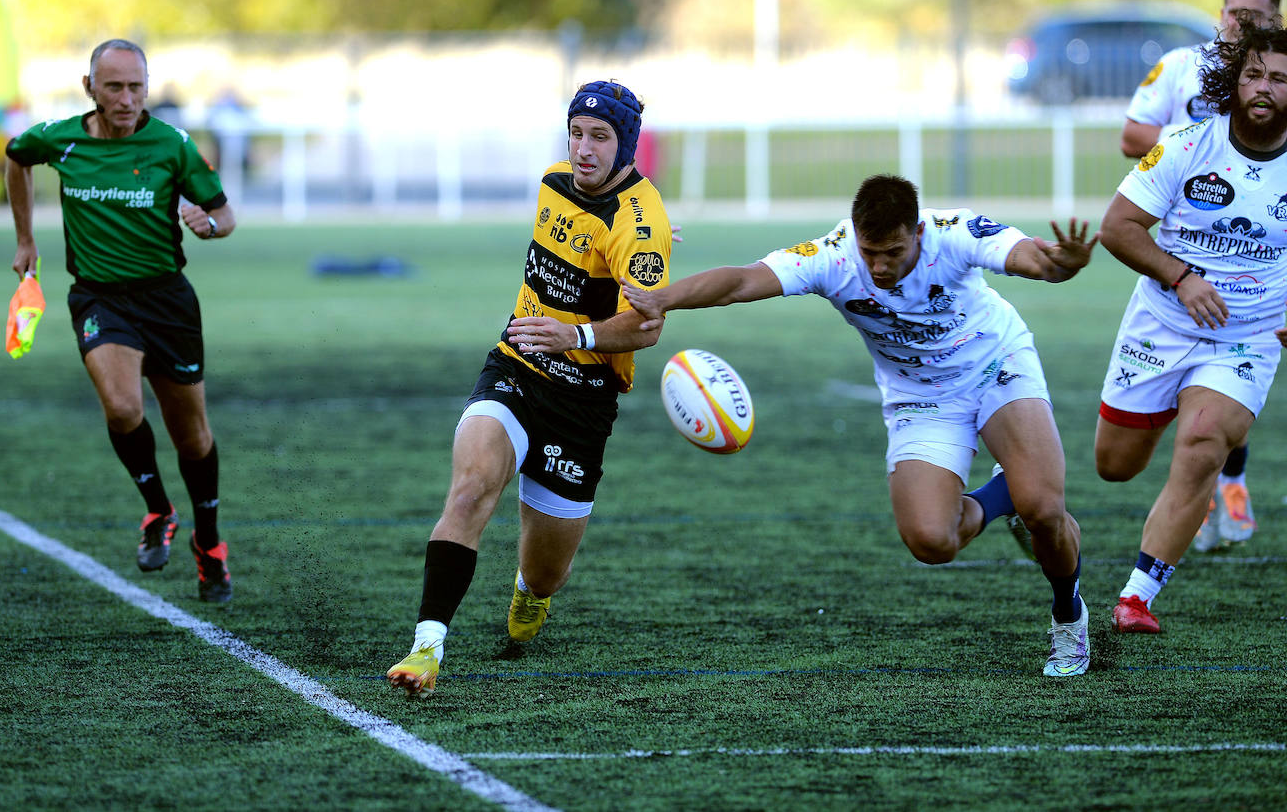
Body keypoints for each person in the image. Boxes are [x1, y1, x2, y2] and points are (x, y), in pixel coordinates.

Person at [621, 174, 1099, 677]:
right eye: (869, 251)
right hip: (920, 397)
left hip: (995, 364)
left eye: (892, 251)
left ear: (917, 232)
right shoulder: (833, 255)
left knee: (1046, 508)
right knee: (932, 541)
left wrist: (1061, 264)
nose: (879, 266)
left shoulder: (954, 232)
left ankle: (1067, 615)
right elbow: (742, 280)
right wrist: (664, 298)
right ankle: (1006, 495)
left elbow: (1035, 258)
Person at [386, 80, 673, 698]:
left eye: (600, 136)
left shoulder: (639, 222)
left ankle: (528, 591)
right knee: (468, 491)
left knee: (547, 573)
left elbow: (647, 327)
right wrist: (551, 335)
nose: (583, 148)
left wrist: (576, 335)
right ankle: (427, 647)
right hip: (515, 367)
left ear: (627, 146)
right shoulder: (552, 181)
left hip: (584, 401)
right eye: (576, 132)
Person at [1098, 17, 1287, 634]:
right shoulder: (1189, 143)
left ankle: (1137, 596)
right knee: (1115, 466)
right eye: (1253, 74)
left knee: (1201, 443)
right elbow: (1117, 227)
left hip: (1245, 339)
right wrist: (1181, 276)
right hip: (1159, 325)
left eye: (1278, 78)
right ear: (1234, 81)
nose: (1263, 87)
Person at [5, 38, 237, 603]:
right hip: (99, 299)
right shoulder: (58, 139)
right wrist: (25, 237)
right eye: (114, 87)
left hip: (167, 303)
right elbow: (15, 157)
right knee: (122, 406)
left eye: (136, 87)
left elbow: (225, 215)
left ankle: (209, 545)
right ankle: (158, 509)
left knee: (192, 436)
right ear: (90, 89)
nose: (127, 98)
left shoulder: (171, 145)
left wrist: (204, 226)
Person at [1119, 0, 1283, 551]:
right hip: (1185, 234)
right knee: (1118, 459)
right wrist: (1199, 137)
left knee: (1231, 365)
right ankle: (1208, 474)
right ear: (1220, 14)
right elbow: (1131, 133)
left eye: (1257, 16)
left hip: (1263, 230)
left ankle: (1228, 485)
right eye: (1235, 13)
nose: (1243, 24)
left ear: (1276, 21)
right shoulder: (1181, 65)